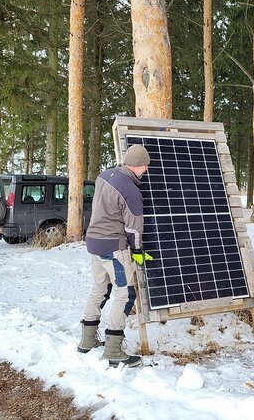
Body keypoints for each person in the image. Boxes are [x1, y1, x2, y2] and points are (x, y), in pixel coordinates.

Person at [78, 144, 152, 368]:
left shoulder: (104, 175)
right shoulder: (130, 190)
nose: (146, 170)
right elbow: (134, 229)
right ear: (137, 165)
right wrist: (137, 251)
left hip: (93, 242)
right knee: (123, 292)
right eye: (145, 166)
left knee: (99, 287)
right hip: (113, 247)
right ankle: (113, 349)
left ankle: (87, 341)